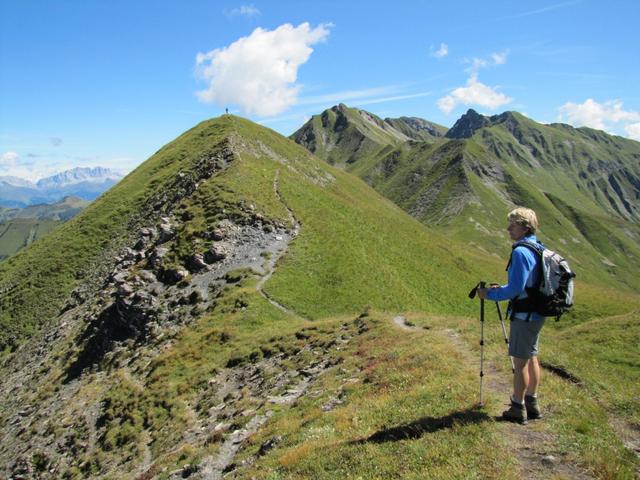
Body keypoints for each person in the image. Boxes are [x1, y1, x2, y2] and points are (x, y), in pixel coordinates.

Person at [477, 207, 544, 424]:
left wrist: (489, 294)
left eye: (513, 225)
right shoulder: (537, 248)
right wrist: (502, 288)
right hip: (537, 312)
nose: (508, 229)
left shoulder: (520, 252)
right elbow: (526, 284)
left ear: (524, 227)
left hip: (524, 315)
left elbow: (515, 289)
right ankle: (532, 401)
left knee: (520, 361)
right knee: (531, 355)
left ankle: (518, 406)